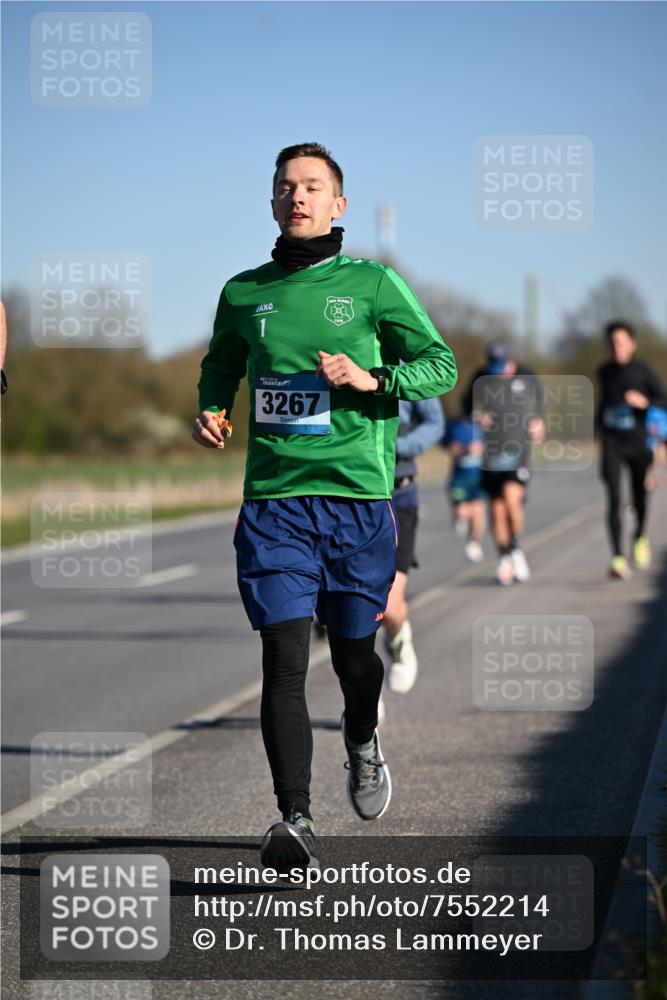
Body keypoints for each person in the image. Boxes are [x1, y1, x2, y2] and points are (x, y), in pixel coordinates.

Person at [193, 143, 457, 871]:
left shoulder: (373, 284)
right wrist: (211, 410)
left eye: (312, 187)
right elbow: (220, 364)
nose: (297, 197)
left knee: (352, 661)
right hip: (274, 505)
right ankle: (294, 819)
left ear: (337, 204)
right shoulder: (243, 292)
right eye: (285, 187)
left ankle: (362, 740)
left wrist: (371, 379)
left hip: (356, 502)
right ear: (272, 202)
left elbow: (441, 365)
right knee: (281, 657)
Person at [462, 341, 544, 586]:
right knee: (497, 510)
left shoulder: (525, 374)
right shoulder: (481, 376)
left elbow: (540, 396)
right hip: (492, 451)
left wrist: (538, 420)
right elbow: (467, 405)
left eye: (503, 365)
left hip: (518, 449)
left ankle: (516, 547)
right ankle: (505, 556)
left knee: (512, 498)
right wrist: (478, 416)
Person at [382, 396, 444, 694]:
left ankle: (398, 639)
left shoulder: (407, 356)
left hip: (399, 496)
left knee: (390, 608)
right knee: (350, 612)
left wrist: (395, 445)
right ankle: (363, 706)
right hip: (347, 497)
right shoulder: (332, 358)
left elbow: (435, 422)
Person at [596, 321, 667, 579]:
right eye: (612, 342)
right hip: (613, 443)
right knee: (613, 498)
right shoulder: (603, 372)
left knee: (639, 497)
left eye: (621, 342)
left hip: (638, 442)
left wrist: (645, 402)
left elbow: (663, 399)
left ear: (632, 344)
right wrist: (597, 429)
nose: (617, 347)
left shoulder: (643, 372)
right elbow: (602, 404)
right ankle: (617, 557)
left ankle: (639, 537)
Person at [442, 414, 487, 563]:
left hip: (479, 475)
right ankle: (459, 518)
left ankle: (474, 542)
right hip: (460, 477)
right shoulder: (455, 425)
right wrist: (462, 449)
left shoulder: (483, 425)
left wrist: (482, 448)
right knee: (462, 510)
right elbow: (447, 444)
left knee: (478, 511)